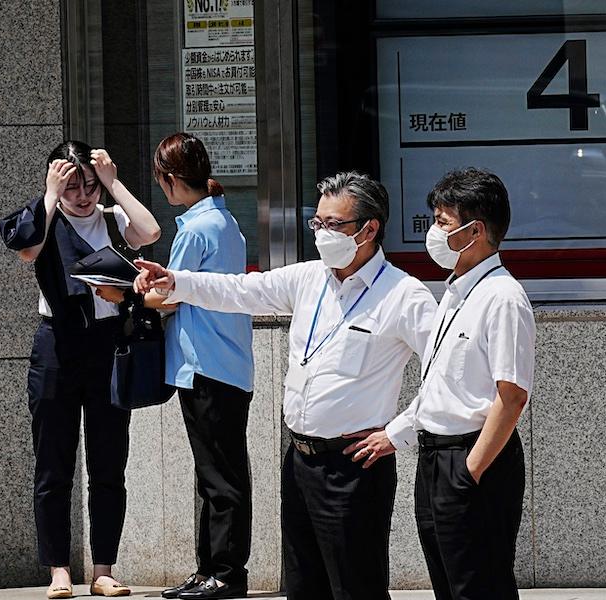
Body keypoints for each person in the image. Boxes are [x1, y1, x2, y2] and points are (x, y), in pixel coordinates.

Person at [134, 171, 436, 600]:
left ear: (369, 230)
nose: (323, 233)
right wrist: (177, 281)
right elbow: (240, 290)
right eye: (319, 223)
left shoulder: (404, 295)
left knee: (356, 587)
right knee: (302, 585)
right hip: (300, 461)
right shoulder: (310, 279)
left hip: (354, 467)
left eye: (336, 225)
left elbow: (445, 371)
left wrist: (398, 433)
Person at [354, 168, 536, 600]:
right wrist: (396, 434)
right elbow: (440, 384)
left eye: (442, 222)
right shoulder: (455, 290)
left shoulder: (503, 297)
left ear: (475, 231)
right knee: (449, 583)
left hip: (473, 459)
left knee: (479, 584)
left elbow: (511, 397)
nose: (433, 232)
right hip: (436, 459)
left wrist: (470, 471)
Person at [0, 141, 161, 599]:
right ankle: (58, 570)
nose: (83, 196)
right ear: (56, 184)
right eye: (72, 186)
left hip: (108, 345)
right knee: (53, 464)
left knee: (109, 462)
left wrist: (114, 182)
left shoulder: (111, 219)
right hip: (57, 345)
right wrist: (50, 197)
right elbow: (27, 249)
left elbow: (148, 232)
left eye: (89, 185)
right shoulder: (45, 219)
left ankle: (104, 568)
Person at [136, 133, 256, 600]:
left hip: (206, 366)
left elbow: (167, 294)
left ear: (168, 181)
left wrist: (127, 290)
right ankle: (211, 569)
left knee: (219, 479)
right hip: (226, 364)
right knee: (218, 475)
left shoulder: (195, 229)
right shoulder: (224, 221)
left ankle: (224, 573)